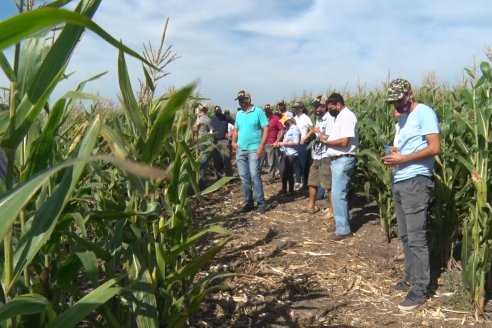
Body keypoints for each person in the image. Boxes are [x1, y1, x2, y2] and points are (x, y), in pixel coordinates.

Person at [382, 79, 440, 311]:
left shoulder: (424, 112)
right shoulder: (403, 119)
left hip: (416, 180)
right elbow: (411, 147)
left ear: (411, 94)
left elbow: (435, 147)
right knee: (405, 234)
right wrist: (397, 153)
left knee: (416, 237)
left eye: (400, 98)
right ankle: (410, 277)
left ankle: (421, 289)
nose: (398, 103)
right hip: (400, 179)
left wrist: (404, 159)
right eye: (394, 100)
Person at [320, 92, 358, 241]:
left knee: (338, 194)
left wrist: (326, 142)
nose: (330, 110)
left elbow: (344, 142)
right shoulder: (340, 117)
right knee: (336, 194)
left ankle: (343, 230)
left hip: (343, 159)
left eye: (331, 107)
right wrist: (326, 138)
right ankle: (340, 225)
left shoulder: (347, 116)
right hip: (338, 160)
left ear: (338, 105)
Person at [231, 90, 270, 214]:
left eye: (243, 99)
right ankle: (249, 202)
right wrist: (233, 142)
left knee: (254, 175)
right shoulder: (239, 114)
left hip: (254, 148)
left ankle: (261, 203)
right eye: (239, 100)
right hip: (241, 149)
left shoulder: (258, 112)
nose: (241, 102)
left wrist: (261, 147)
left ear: (249, 99)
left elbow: (266, 129)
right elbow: (236, 129)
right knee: (244, 178)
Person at [301, 95, 335, 216]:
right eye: (314, 106)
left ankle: (332, 210)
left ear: (324, 106)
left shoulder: (330, 118)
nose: (315, 109)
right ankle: (311, 206)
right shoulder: (319, 119)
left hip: (326, 155)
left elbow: (329, 137)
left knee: (328, 184)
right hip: (316, 155)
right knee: (312, 181)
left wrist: (318, 132)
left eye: (318, 106)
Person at [274, 113, 300, 195]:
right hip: (285, 153)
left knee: (288, 172)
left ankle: (291, 190)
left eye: (285, 121)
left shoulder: (295, 129)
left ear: (289, 120)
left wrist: (283, 143)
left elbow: (296, 142)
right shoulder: (288, 129)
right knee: (282, 171)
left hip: (292, 154)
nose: (283, 123)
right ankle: (284, 189)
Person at [293, 102, 313, 190]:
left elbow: (312, 129)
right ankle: (297, 181)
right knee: (296, 162)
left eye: (298, 108)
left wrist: (306, 137)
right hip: (295, 142)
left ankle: (305, 182)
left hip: (303, 142)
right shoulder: (294, 118)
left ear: (302, 108)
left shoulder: (306, 118)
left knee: (304, 163)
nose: (297, 110)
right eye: (295, 108)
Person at [263, 104, 285, 184]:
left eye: (268, 111)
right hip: (263, 143)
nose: (266, 112)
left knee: (270, 162)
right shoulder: (264, 119)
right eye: (265, 111)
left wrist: (277, 140)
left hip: (271, 143)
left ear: (271, 111)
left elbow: (282, 130)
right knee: (259, 162)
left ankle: (270, 178)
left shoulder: (276, 119)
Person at [210, 105, 233, 178]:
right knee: (216, 160)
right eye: (216, 111)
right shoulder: (212, 118)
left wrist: (231, 132)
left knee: (227, 159)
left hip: (224, 141)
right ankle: (219, 177)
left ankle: (229, 177)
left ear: (221, 110)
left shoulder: (226, 117)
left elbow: (237, 124)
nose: (218, 112)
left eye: (219, 111)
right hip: (215, 141)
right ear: (214, 111)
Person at [194, 104, 214, 190]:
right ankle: (201, 185)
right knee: (202, 164)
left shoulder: (196, 119)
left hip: (196, 144)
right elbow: (211, 131)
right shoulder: (207, 119)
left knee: (199, 164)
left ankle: (198, 183)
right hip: (204, 144)